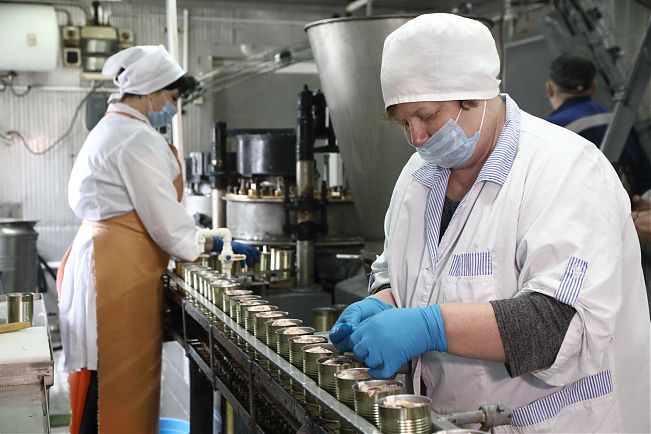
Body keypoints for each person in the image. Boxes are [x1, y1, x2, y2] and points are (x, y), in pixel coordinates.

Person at [330, 14, 650, 433]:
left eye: (428, 116)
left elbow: (556, 326)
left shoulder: (566, 169)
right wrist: (382, 302)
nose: (418, 138)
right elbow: (397, 269)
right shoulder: (417, 176)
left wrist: (430, 327)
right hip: (454, 420)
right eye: (404, 123)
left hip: (553, 422)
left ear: (476, 96)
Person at [56, 45, 258, 434]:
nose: (172, 107)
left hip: (105, 263)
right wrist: (210, 244)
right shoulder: (136, 139)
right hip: (115, 276)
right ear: (151, 91)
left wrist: (197, 238)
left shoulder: (112, 128)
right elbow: (164, 222)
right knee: (119, 386)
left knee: (101, 384)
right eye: (172, 97)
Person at [545, 52, 651, 196]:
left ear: (549, 89)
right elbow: (645, 179)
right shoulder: (618, 121)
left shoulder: (550, 131)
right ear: (593, 87)